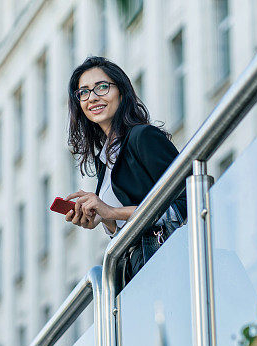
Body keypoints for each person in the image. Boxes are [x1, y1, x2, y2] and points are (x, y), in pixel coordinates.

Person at [64, 56, 187, 282]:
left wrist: (111, 211)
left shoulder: (143, 137)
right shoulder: (106, 160)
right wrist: (103, 218)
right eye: (84, 92)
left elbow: (187, 202)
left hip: (170, 262)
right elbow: (124, 226)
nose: (93, 98)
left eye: (102, 87)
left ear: (121, 91)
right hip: (137, 269)